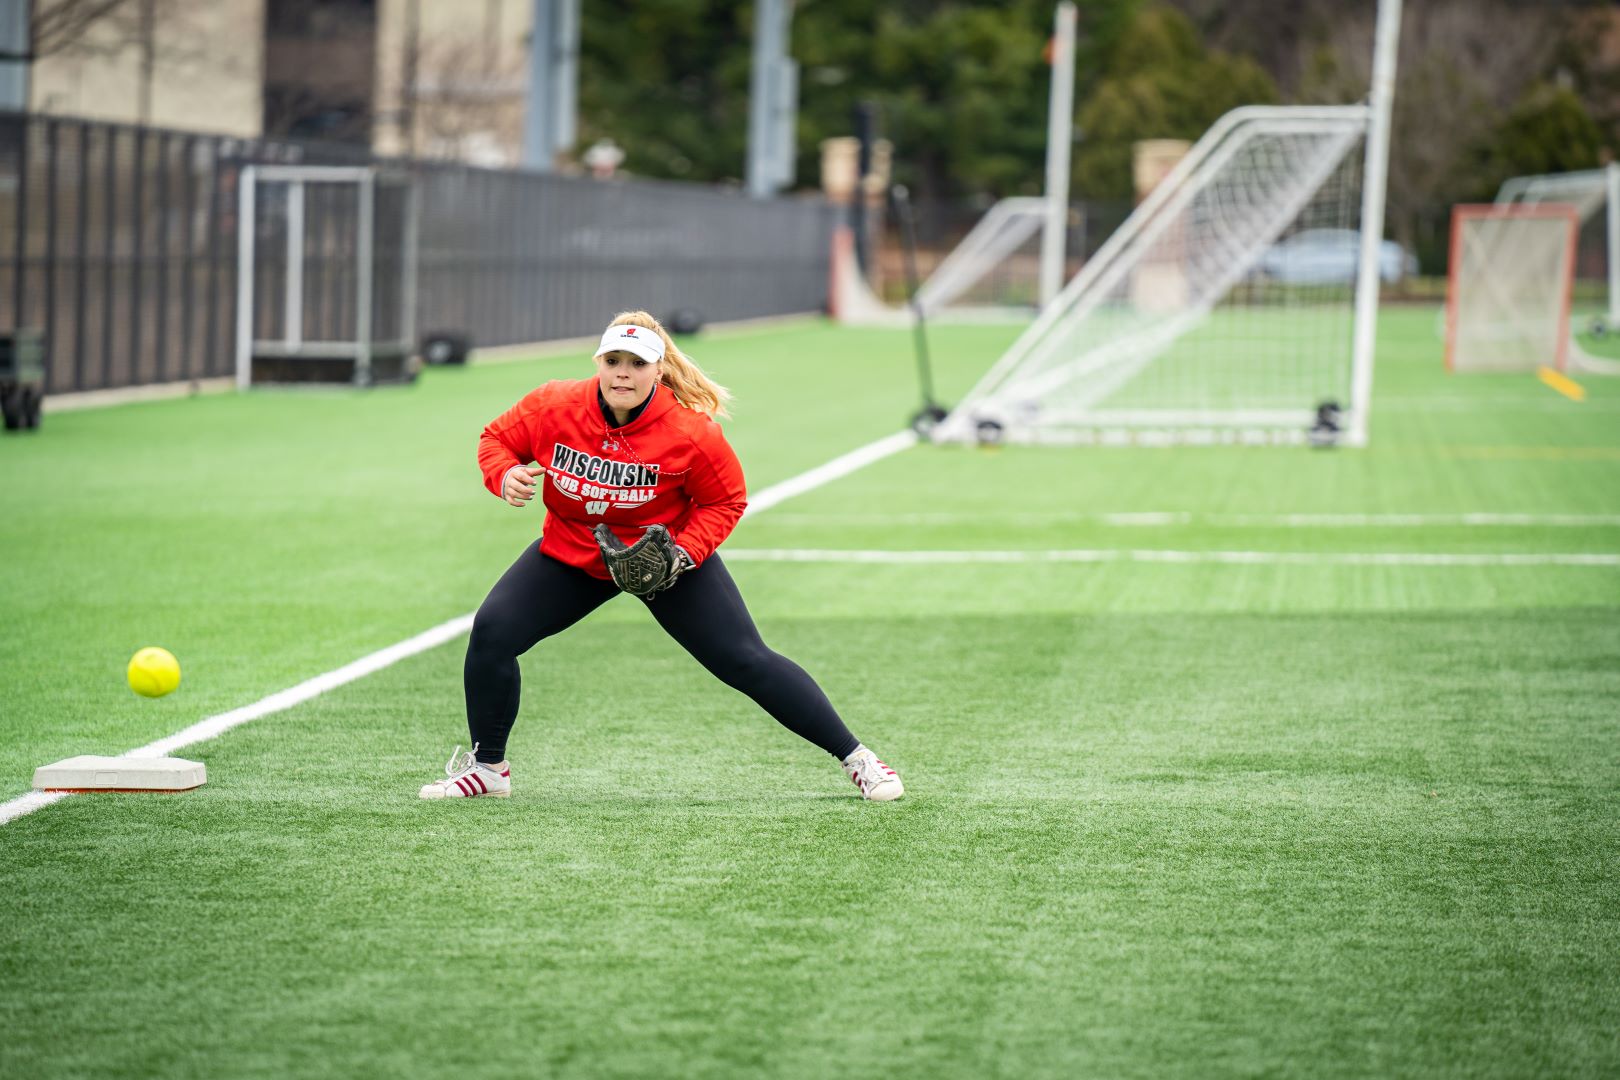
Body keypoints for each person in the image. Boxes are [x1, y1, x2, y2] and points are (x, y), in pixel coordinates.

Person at [419, 310, 904, 802]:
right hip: (575, 551)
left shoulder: (690, 432)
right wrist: (502, 474)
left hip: (664, 559)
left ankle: (857, 757)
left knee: (745, 661)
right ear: (599, 363)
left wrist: (683, 554)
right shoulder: (554, 404)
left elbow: (726, 501)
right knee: (492, 633)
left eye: (637, 362)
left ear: (658, 369)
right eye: (613, 360)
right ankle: (488, 769)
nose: (623, 373)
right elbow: (497, 438)